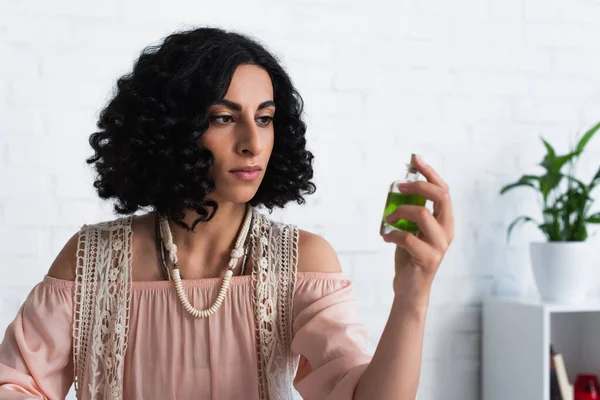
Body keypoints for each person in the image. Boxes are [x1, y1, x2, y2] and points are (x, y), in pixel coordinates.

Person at [0, 27, 454, 400]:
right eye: (223, 117)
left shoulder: (301, 262)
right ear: (171, 129)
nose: (252, 143)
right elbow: (15, 384)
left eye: (264, 118)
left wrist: (413, 295)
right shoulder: (88, 261)